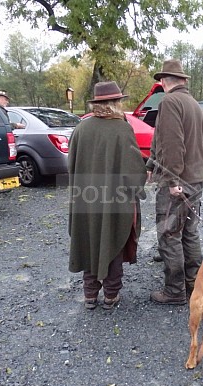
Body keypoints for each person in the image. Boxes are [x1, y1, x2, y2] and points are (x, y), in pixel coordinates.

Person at [68, 81, 147, 310]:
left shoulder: (81, 128)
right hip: (116, 200)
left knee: (89, 240)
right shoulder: (122, 129)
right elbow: (133, 170)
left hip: (86, 197)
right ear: (115, 103)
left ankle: (90, 295)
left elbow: (70, 165)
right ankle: (111, 296)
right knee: (113, 240)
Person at [148, 59, 203, 305]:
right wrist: (152, 165)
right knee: (189, 232)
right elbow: (200, 143)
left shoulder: (170, 102)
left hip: (177, 182)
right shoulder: (194, 104)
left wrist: (171, 180)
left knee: (170, 234)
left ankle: (174, 291)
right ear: (182, 80)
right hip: (195, 179)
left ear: (163, 81)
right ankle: (194, 284)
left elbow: (172, 145)